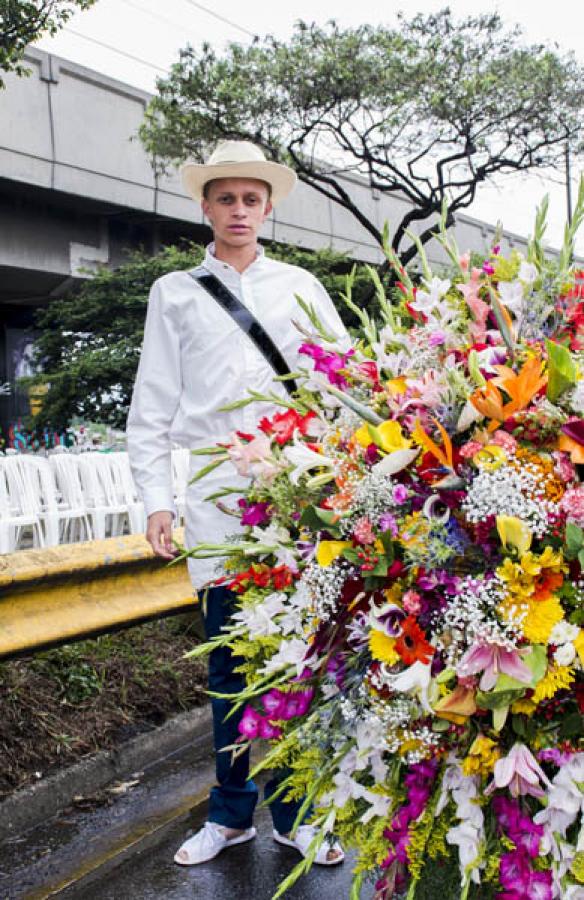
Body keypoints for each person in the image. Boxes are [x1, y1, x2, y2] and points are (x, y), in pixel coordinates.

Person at [126, 141, 348, 868]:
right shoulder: (176, 292)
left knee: (295, 660)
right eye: (227, 199)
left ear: (268, 207)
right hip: (219, 495)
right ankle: (229, 815)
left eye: (252, 199)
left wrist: (344, 478)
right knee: (228, 659)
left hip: (297, 493)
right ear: (206, 207)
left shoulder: (301, 287)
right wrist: (158, 499)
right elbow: (153, 403)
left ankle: (296, 812)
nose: (240, 211)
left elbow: (343, 384)